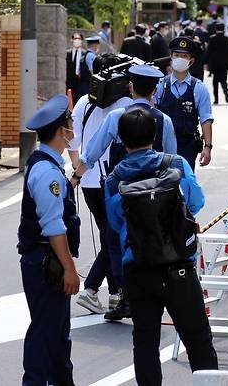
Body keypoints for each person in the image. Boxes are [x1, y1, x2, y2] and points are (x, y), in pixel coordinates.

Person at [104, 107, 218, 384]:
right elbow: (196, 202)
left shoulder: (114, 179)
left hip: (138, 266)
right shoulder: (175, 164)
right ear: (155, 136)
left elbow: (116, 222)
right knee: (197, 337)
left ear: (121, 139)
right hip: (178, 264)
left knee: (145, 341)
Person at [73, 65, 178, 320]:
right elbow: (174, 161)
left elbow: (93, 151)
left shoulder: (117, 116)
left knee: (116, 243)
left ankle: (125, 295)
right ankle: (146, 294)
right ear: (155, 91)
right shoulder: (164, 120)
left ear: (130, 87)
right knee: (152, 240)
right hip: (156, 194)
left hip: (121, 193)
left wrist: (76, 176)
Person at [18, 94, 81, 386]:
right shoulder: (46, 171)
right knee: (46, 334)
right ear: (60, 131)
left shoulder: (48, 164)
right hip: (45, 263)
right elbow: (53, 226)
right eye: (69, 123)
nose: (72, 129)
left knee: (56, 335)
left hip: (46, 262)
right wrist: (69, 268)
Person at [69, 54, 133, 314]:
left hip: (88, 181)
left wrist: (79, 170)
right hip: (113, 181)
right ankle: (92, 288)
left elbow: (73, 142)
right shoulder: (126, 104)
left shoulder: (85, 101)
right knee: (113, 239)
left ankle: (116, 294)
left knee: (109, 235)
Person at [154, 37, 214, 169]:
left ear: (191, 61)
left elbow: (206, 119)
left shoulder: (199, 88)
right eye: (176, 55)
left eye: (184, 56)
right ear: (171, 57)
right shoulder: (160, 85)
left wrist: (208, 147)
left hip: (187, 146)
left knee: (185, 185)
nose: (180, 59)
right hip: (160, 147)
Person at [205, 23, 228, 105]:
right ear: (224, 29)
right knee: (224, 79)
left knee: (215, 81)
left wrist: (206, 61)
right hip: (225, 63)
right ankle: (226, 92)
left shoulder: (212, 38)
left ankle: (216, 99)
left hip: (214, 63)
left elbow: (209, 51)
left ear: (215, 29)